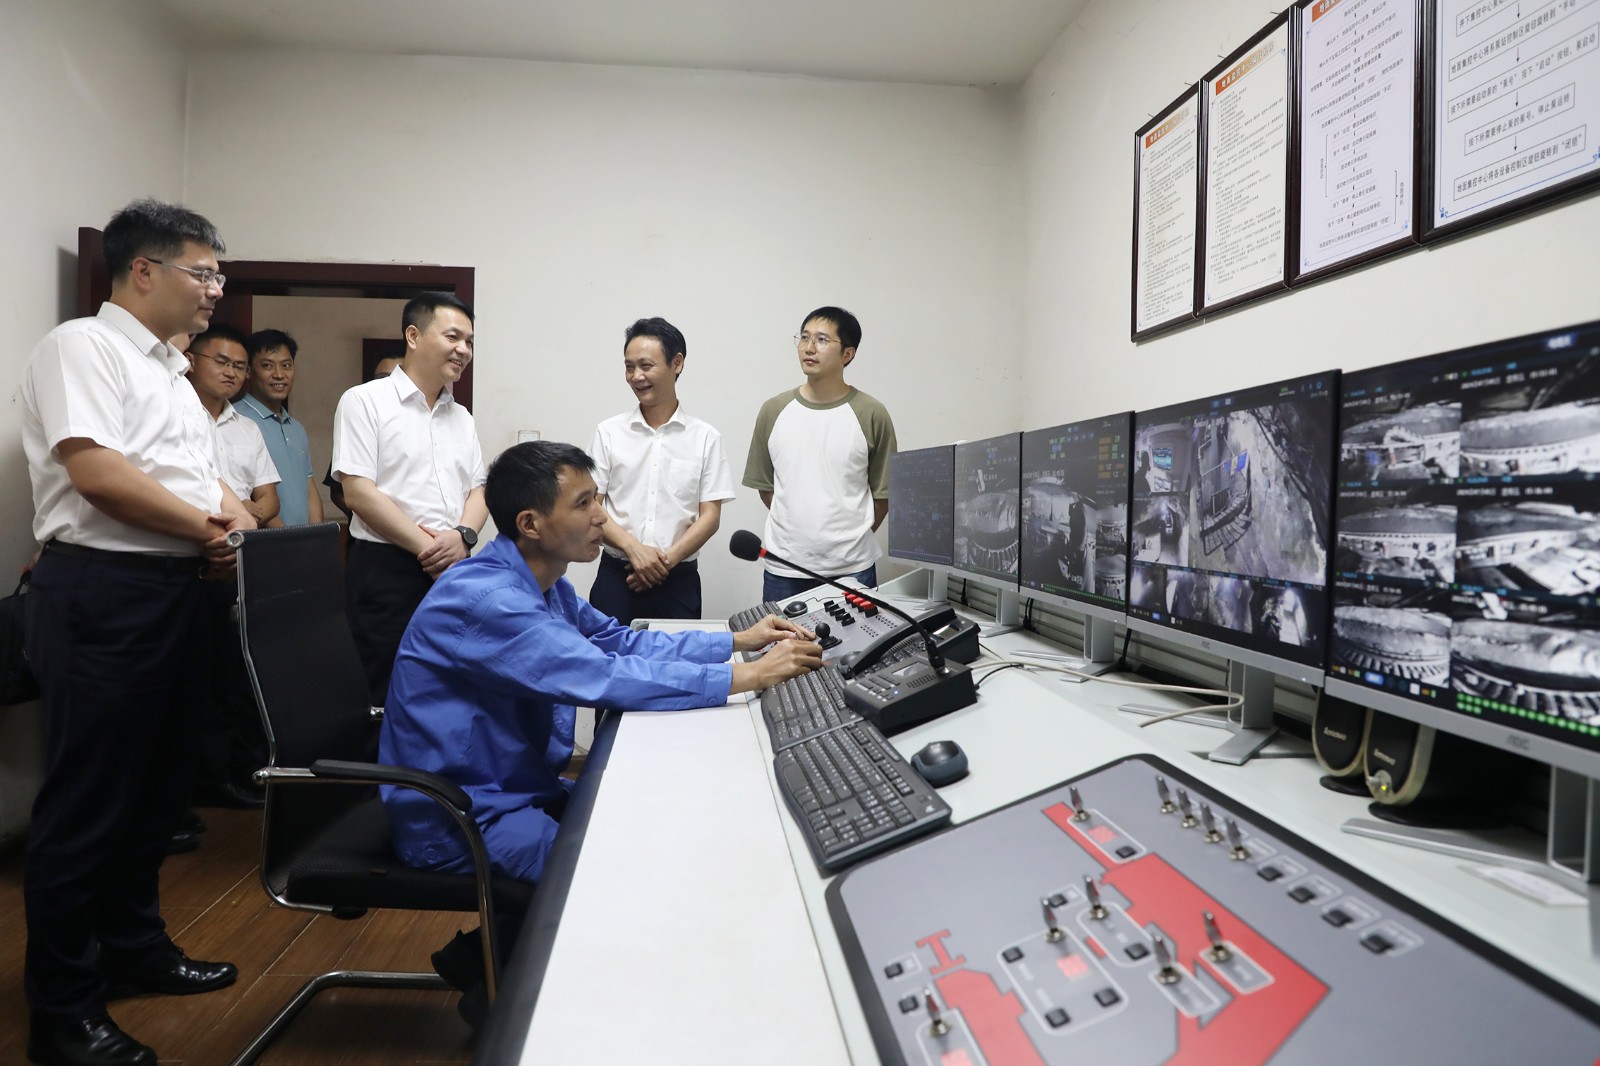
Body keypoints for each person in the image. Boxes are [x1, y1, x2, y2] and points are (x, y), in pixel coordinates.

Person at [378, 440, 820, 1019]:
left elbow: (618, 641)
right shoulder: (487, 599)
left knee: (638, 821)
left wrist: (737, 641)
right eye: (584, 503)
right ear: (531, 524)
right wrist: (749, 675)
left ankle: (485, 958)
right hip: (458, 812)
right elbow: (603, 675)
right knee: (616, 874)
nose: (602, 518)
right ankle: (506, 1008)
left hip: (509, 789)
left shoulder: (543, 582)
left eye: (598, 500)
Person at [20, 198, 252, 1066]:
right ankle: (63, 1010)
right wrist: (210, 532)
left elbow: (201, 482)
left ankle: (135, 949)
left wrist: (232, 533)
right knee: (89, 805)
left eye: (219, 275)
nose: (216, 290)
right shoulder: (83, 346)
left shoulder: (172, 371)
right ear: (143, 271)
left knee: (158, 796)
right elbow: (98, 475)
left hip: (178, 593)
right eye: (204, 273)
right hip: (105, 593)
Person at [332, 292, 487, 706]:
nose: (463, 349)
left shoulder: (462, 416)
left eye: (470, 341)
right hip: (388, 569)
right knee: (383, 688)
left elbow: (479, 488)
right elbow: (358, 492)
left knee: (447, 686)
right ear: (414, 336)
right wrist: (432, 551)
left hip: (453, 565)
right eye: (453, 337)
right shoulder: (364, 401)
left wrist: (463, 537)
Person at [185, 325, 281, 809]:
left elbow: (270, 498)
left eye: (240, 366)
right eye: (222, 361)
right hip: (191, 561)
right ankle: (199, 781)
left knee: (239, 674)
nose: (232, 373)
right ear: (191, 360)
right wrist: (239, 512)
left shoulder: (248, 428)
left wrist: (243, 516)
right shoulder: (177, 415)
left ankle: (236, 771)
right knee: (193, 680)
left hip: (241, 563)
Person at [743, 306, 897, 602]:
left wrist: (846, 541)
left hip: (852, 569)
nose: (809, 347)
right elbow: (766, 487)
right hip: (784, 568)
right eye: (804, 337)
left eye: (822, 339)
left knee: (859, 635)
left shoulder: (871, 413)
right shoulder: (773, 410)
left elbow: (884, 495)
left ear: (848, 354)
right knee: (780, 634)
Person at [588, 317, 735, 624]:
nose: (636, 376)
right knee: (606, 653)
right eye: (629, 367)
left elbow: (710, 517)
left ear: (677, 363)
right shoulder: (608, 432)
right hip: (617, 577)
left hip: (678, 581)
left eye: (646, 365)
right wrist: (634, 549)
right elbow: (591, 505)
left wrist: (662, 564)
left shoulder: (706, 438)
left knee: (680, 655)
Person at [233, 329, 324, 528]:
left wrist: (316, 535)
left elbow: (309, 488)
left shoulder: (296, 428)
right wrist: (286, 539)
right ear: (248, 371)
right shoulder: (235, 419)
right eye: (267, 366)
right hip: (264, 540)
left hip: (302, 542)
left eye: (286, 365)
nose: (279, 375)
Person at [326, 354, 402, 519]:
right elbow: (337, 491)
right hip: (367, 528)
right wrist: (365, 515)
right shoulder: (360, 419)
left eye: (397, 377)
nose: (388, 384)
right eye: (382, 378)